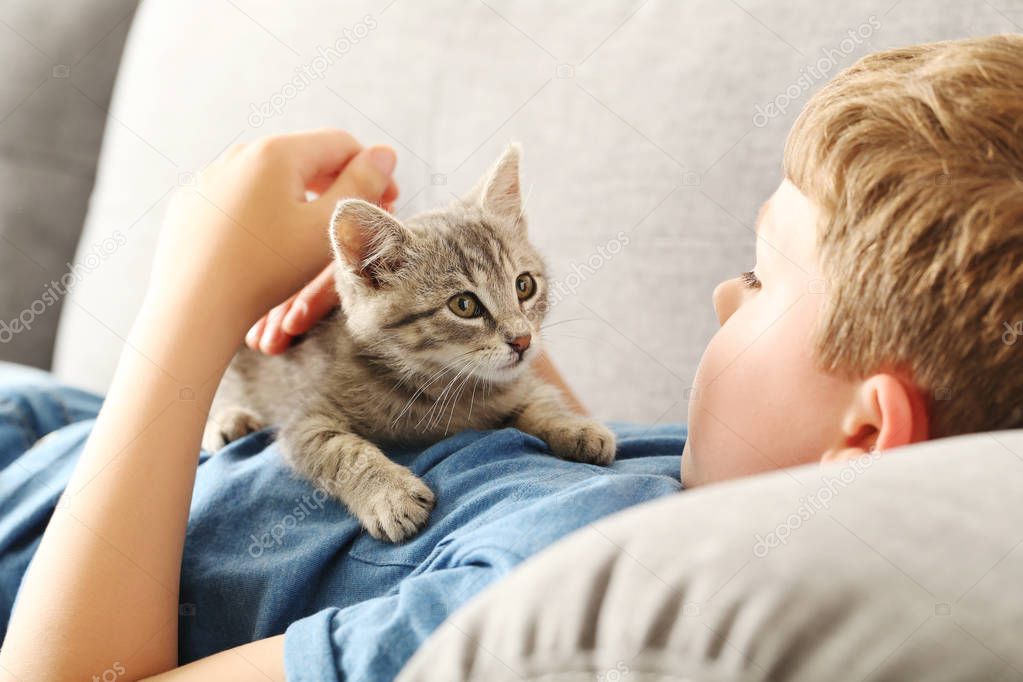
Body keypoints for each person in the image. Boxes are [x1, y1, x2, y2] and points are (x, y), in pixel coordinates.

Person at [1, 34, 1021, 680]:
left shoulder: (571, 592)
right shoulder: (677, 482)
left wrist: (193, 295)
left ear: (866, 432)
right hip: (57, 426)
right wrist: (400, 302)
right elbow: (524, 421)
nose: (723, 294)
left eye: (757, 278)